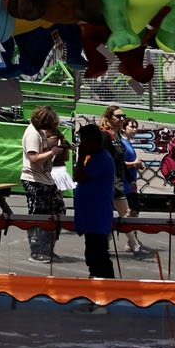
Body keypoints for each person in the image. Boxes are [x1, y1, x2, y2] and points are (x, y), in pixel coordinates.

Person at [100, 108, 151, 257]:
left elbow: (120, 162)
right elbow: (104, 160)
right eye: (119, 116)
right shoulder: (104, 135)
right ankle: (132, 245)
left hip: (117, 181)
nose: (122, 118)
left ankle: (125, 243)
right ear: (109, 118)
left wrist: (129, 179)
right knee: (124, 213)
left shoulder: (116, 137)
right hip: (108, 182)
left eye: (124, 116)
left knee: (124, 213)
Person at [21, 106, 69, 263]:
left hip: (46, 178)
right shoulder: (32, 134)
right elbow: (34, 158)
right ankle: (36, 251)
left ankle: (48, 248)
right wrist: (53, 152)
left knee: (58, 210)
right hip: (34, 179)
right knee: (38, 215)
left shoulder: (39, 132)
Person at [72, 122, 118, 279]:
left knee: (98, 257)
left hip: (97, 217)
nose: (81, 145)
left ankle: (105, 288)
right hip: (90, 217)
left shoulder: (101, 159)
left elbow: (78, 176)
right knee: (93, 256)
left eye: (84, 141)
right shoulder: (94, 158)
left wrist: (81, 157)